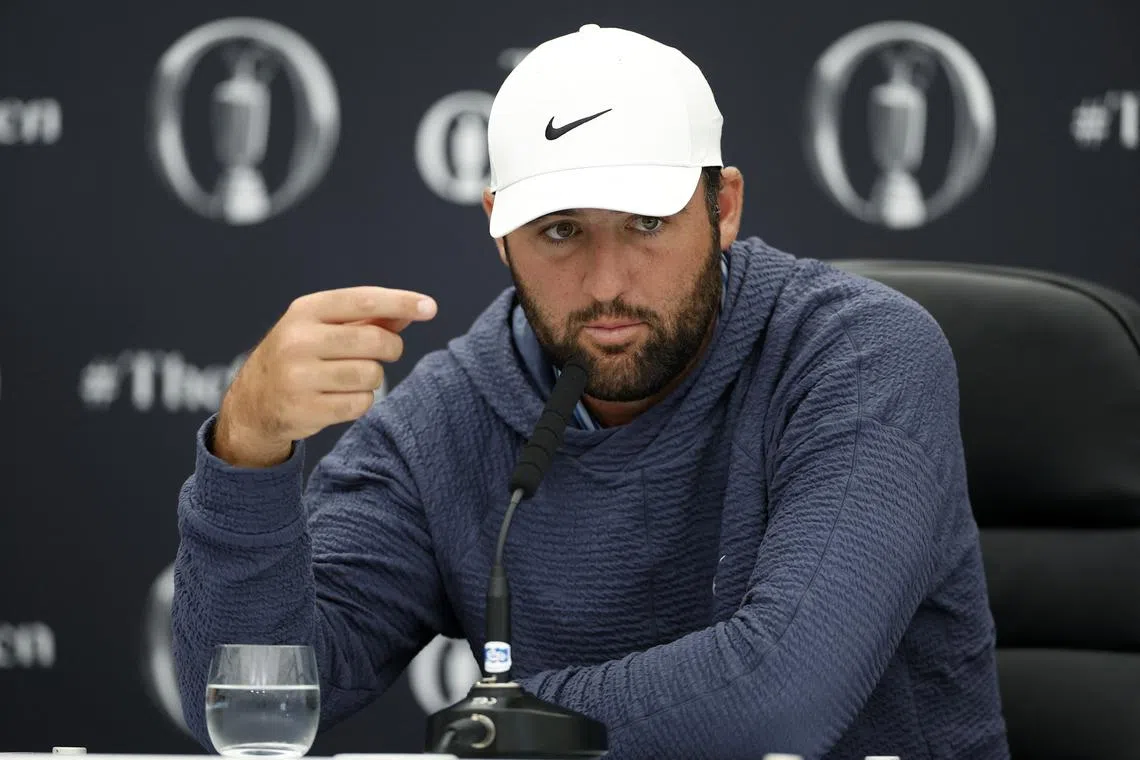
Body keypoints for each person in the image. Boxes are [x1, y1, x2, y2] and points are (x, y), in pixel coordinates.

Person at [173, 23, 1009, 760]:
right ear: (500, 228)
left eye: (645, 224)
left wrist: (508, 731)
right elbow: (255, 702)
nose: (607, 283)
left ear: (723, 206)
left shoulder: (858, 354)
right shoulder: (447, 419)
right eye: (561, 231)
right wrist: (248, 449)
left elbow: (783, 692)